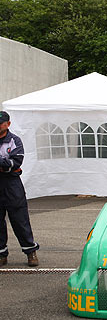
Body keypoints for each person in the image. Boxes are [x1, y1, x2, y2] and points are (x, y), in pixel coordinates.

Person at [0, 111, 39, 266]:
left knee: (20, 220)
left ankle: (30, 252)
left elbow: (15, 163)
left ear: (8, 124)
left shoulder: (14, 140)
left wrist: (5, 165)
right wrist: (4, 163)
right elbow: (6, 163)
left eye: (1, 123)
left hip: (12, 185)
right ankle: (2, 254)